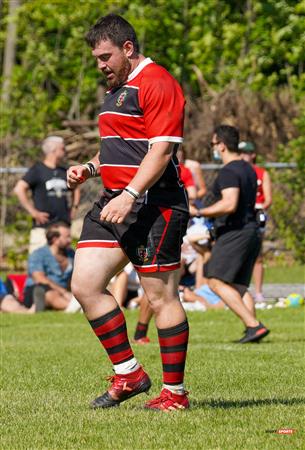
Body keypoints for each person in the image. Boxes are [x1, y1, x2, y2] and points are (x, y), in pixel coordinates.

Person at [67, 14, 190, 411]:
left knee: (160, 296)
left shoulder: (157, 82)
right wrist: (89, 168)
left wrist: (132, 193)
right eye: (96, 59)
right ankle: (129, 374)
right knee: (85, 285)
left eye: (105, 56)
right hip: (114, 200)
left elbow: (161, 151)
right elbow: (122, 146)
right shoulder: (118, 88)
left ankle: (175, 394)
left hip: (155, 203)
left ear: (128, 49)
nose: (100, 65)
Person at [193, 125, 270, 343]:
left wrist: (199, 211)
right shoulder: (248, 168)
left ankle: (253, 325)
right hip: (251, 231)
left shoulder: (229, 171)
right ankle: (253, 330)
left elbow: (229, 203)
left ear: (222, 145)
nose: (213, 149)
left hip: (235, 232)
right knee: (238, 286)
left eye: (213, 144)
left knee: (215, 281)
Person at [14, 136, 81, 253]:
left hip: (62, 228)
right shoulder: (38, 170)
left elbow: (76, 188)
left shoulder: (63, 171)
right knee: (38, 264)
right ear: (53, 150)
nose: (65, 151)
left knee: (63, 265)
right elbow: (19, 189)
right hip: (43, 228)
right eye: (63, 149)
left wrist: (74, 207)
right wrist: (33, 212)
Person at [239, 141, 272, 302]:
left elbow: (268, 199)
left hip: (256, 215)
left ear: (253, 155)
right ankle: (239, 290)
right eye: (241, 153)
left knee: (257, 255)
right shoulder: (235, 172)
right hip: (240, 216)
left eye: (246, 153)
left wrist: (257, 207)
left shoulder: (261, 173)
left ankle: (258, 292)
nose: (243, 156)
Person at [23, 222, 81, 313]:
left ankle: (74, 305)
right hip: (37, 289)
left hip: (62, 293)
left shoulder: (71, 254)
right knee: (48, 293)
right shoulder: (38, 254)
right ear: (55, 239)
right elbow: (39, 278)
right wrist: (64, 292)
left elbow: (73, 278)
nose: (70, 240)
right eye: (67, 237)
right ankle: (73, 306)